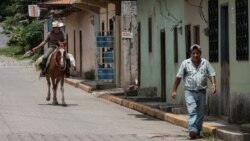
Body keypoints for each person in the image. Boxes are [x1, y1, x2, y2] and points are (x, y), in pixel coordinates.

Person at [171, 44, 216, 139]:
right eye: (193, 53)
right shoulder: (185, 63)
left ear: (200, 54)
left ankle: (197, 131)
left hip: (202, 92)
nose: (195, 55)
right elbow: (178, 77)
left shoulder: (205, 63)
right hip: (189, 92)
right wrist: (174, 90)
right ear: (190, 54)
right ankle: (192, 130)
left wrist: (213, 84)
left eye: (197, 53)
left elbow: (211, 73)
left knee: (200, 112)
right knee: (192, 110)